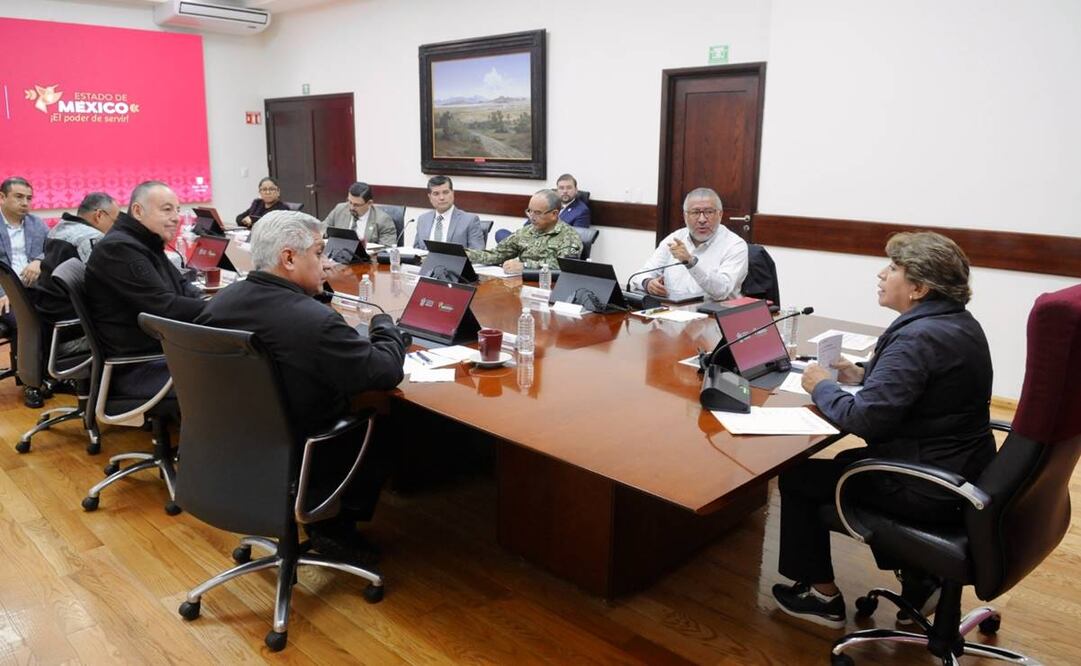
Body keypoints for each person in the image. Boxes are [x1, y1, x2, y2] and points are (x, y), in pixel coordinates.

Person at [771, 232, 995, 629]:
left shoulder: (917, 338)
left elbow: (864, 420)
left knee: (800, 475)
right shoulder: (957, 323)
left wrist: (821, 386)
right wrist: (857, 374)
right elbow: (919, 389)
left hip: (926, 484)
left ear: (919, 287)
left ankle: (821, 597)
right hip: (961, 468)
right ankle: (920, 579)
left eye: (892, 268)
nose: (881, 274)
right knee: (846, 462)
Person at [195, 210, 408, 563]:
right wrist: (386, 328)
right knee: (386, 417)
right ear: (289, 258)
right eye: (319, 253)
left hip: (226, 447)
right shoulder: (312, 322)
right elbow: (384, 370)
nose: (325, 264)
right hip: (298, 453)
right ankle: (333, 527)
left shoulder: (220, 304)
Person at [85, 181, 205, 397]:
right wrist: (220, 308)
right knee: (252, 373)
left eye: (177, 210)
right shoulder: (120, 248)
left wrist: (211, 304)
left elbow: (182, 286)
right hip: (140, 366)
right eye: (167, 209)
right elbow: (165, 307)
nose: (176, 217)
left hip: (163, 350)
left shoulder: (144, 241)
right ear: (138, 211)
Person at [628, 187, 747, 302]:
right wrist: (648, 283)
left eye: (709, 212)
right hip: (672, 311)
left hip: (712, 315)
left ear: (720, 214)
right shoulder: (675, 239)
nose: (702, 219)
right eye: (695, 212)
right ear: (685, 216)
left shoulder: (735, 245)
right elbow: (639, 275)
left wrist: (690, 262)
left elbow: (722, 291)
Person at [34, 192, 120, 325]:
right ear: (99, 215)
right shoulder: (91, 238)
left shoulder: (57, 229)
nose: (115, 228)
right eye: (114, 222)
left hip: (47, 312)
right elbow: (105, 286)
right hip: (73, 321)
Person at [1, 177, 50, 405]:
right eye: (19, 197)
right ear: (2, 198)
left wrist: (39, 261)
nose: (25, 203)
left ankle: (51, 374)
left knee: (58, 313)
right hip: (5, 294)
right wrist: (3, 293)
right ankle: (32, 383)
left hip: (34, 289)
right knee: (26, 322)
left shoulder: (36, 224)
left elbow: (50, 251)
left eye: (29, 198)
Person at [465, 189, 582, 273]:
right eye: (530, 211)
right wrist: (465, 254)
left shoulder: (569, 236)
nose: (532, 217)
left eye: (537, 213)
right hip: (518, 286)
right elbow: (497, 254)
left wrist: (525, 266)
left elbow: (564, 267)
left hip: (548, 288)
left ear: (554, 214)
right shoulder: (526, 231)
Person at [413, 175, 484, 250]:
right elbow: (416, 250)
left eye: (445, 192)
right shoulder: (423, 219)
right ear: (430, 197)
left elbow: (478, 253)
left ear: (453, 193)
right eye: (436, 194)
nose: (441, 198)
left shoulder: (470, 220)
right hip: (426, 261)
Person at [323, 181, 397, 246]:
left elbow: (387, 249)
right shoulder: (340, 209)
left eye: (356, 205)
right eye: (350, 202)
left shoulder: (383, 220)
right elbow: (322, 230)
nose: (351, 207)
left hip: (366, 261)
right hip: (338, 257)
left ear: (369, 203)